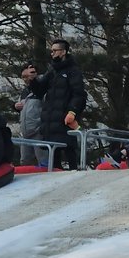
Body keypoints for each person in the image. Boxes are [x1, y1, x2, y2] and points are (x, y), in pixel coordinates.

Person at [31, 39, 87, 169]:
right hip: (50, 119)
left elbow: (79, 94)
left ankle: (76, 171)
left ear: (63, 52)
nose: (52, 53)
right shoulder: (52, 71)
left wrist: (72, 111)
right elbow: (40, 91)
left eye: (55, 51)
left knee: (69, 150)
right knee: (53, 154)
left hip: (65, 118)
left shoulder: (73, 71)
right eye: (52, 51)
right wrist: (32, 80)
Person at [13, 63, 46, 166]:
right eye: (23, 77)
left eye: (27, 76)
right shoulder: (24, 91)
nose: (25, 79)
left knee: (43, 161)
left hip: (38, 131)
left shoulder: (42, 89)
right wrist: (16, 107)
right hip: (25, 132)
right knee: (25, 161)